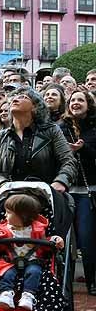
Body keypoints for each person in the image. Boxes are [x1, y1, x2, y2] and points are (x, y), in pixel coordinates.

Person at [0, 88, 76, 191]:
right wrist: (2, 184)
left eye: (23, 97)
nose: (15, 99)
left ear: (35, 107)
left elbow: (68, 160)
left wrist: (60, 182)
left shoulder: (52, 131)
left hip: (45, 195)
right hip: (9, 194)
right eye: (13, 98)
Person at [0, 194, 63, 311]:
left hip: (33, 260)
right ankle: (6, 294)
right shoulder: (5, 228)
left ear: (23, 216)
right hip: (10, 261)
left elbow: (45, 244)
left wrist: (55, 240)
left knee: (34, 272)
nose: (5, 215)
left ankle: (28, 295)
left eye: (9, 212)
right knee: (7, 274)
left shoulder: (37, 229)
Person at [60, 89, 96, 295]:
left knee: (86, 237)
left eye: (80, 100)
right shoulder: (61, 128)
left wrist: (82, 149)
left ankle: (92, 281)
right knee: (64, 239)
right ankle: (66, 283)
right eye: (72, 100)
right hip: (66, 190)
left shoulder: (94, 128)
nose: (76, 103)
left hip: (87, 190)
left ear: (88, 104)